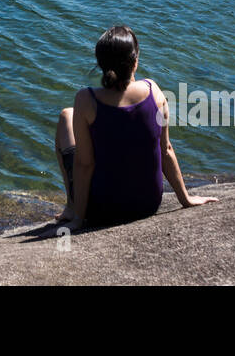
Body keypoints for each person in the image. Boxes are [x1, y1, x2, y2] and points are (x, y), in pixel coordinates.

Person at [54, 25, 217, 230]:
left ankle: (72, 206)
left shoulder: (86, 99)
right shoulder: (154, 91)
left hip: (103, 210)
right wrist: (186, 199)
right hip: (147, 204)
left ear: (100, 63)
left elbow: (84, 164)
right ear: (135, 62)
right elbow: (165, 150)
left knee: (65, 116)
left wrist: (79, 218)